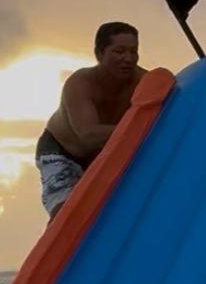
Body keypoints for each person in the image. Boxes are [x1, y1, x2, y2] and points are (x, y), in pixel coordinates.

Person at [36, 22, 146, 220]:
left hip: (105, 151)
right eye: (119, 51)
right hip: (62, 151)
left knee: (114, 210)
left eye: (133, 51)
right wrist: (139, 129)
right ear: (99, 53)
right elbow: (88, 135)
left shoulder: (143, 81)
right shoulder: (81, 83)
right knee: (66, 214)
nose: (128, 59)